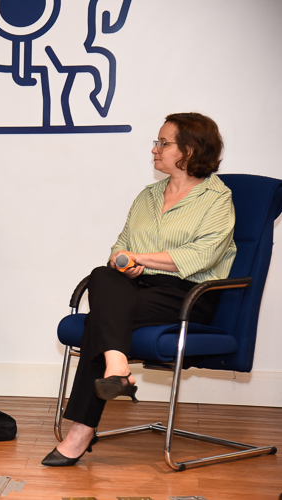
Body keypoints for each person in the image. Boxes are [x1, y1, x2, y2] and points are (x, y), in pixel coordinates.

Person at [42, 112, 236, 466]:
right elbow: (120, 246)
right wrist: (123, 262)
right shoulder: (148, 196)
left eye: (163, 143)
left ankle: (82, 431)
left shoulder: (217, 199)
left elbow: (202, 256)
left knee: (97, 322)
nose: (154, 149)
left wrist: (140, 258)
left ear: (189, 150)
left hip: (188, 295)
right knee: (102, 275)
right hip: (137, 288)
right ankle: (116, 366)